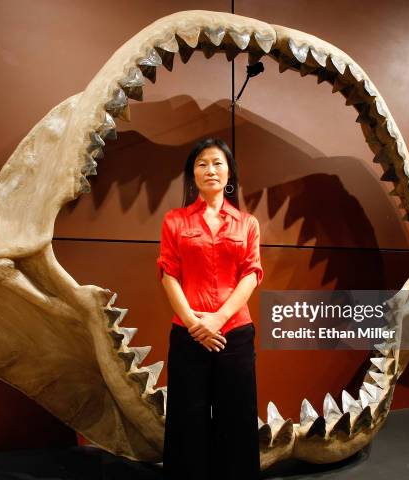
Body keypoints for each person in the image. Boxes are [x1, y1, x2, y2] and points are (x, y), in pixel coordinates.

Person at [156, 137, 264, 480]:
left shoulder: (247, 223)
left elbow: (251, 274)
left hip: (235, 334)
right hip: (188, 334)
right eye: (201, 164)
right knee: (187, 421)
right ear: (192, 175)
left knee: (238, 420)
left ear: (229, 171)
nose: (210, 170)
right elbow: (168, 273)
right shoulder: (174, 221)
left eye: (217, 163)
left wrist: (217, 319)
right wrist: (192, 322)